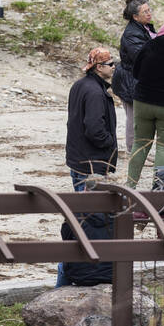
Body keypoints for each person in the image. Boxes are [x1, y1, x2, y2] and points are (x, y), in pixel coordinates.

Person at [61, 47, 118, 285]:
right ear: (99, 67)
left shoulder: (79, 86)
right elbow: (94, 128)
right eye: (111, 64)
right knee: (88, 221)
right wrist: (110, 143)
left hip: (78, 158)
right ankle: (76, 274)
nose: (114, 67)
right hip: (91, 162)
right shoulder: (95, 92)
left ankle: (74, 274)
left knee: (81, 219)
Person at [126, 22, 164, 188]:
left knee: (140, 143)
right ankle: (158, 186)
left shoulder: (149, 45)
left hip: (143, 101)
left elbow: (136, 72)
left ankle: (130, 185)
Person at [112, 0, 155, 154]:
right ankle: (133, 151)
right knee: (134, 117)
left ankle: (139, 150)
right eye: (145, 12)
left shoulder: (144, 27)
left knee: (141, 117)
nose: (149, 13)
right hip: (129, 80)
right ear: (135, 17)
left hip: (138, 78)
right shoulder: (132, 34)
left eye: (149, 10)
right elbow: (141, 56)